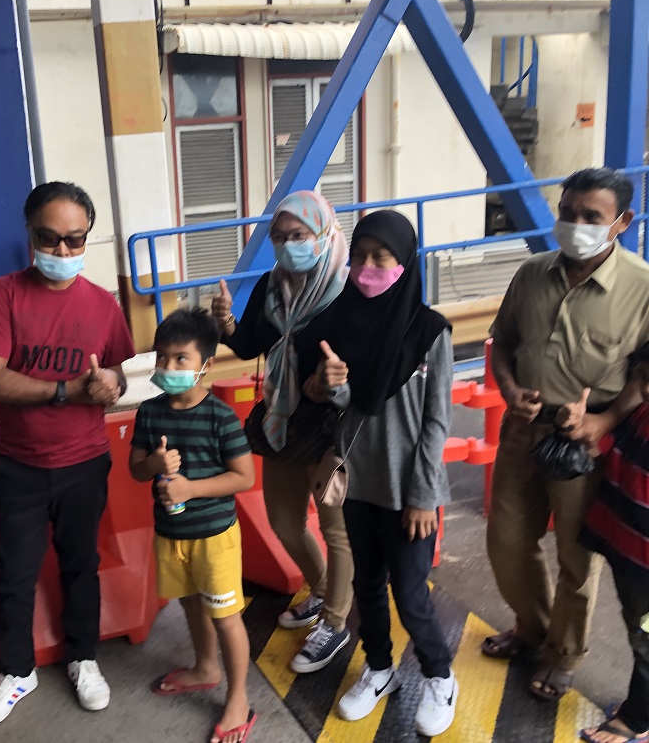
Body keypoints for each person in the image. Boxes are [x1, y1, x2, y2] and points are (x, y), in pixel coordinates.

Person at [0, 181, 135, 725]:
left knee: (81, 567)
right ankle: (17, 672)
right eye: (49, 238)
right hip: (19, 464)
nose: (62, 252)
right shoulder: (4, 294)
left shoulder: (104, 305)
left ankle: (83, 658)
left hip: (85, 462)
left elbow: (122, 373)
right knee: (14, 574)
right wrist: (65, 390)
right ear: (29, 235)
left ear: (87, 238)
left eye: (74, 240)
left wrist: (111, 384)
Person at [484, 167, 649, 702]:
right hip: (522, 430)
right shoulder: (531, 273)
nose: (575, 224)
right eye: (567, 213)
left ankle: (564, 654)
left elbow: (645, 380)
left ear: (621, 222)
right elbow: (502, 343)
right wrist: (509, 388)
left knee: (576, 558)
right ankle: (532, 629)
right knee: (508, 542)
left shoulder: (642, 288)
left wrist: (601, 423)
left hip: (586, 443)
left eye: (591, 217)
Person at [322, 210, 458, 737]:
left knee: (410, 591)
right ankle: (380, 670)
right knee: (368, 585)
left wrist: (424, 495)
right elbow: (347, 407)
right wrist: (333, 385)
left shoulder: (430, 332)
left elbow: (436, 422)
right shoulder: (343, 322)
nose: (366, 268)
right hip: (359, 482)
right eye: (358, 256)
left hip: (409, 492)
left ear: (404, 262)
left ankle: (439, 676)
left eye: (381, 257)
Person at [212, 189, 355, 673]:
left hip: (335, 425)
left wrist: (335, 382)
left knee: (337, 529)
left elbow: (367, 363)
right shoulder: (274, 286)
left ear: (324, 232)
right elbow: (253, 342)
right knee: (284, 522)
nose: (289, 244)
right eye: (280, 236)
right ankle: (319, 591)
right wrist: (227, 322)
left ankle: (334, 622)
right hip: (284, 418)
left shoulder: (351, 290)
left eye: (299, 235)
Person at [129, 308, 257, 743]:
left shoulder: (221, 418)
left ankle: (238, 696)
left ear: (206, 364)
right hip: (171, 535)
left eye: (180, 359)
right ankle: (205, 667)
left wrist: (191, 489)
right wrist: (153, 462)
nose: (168, 367)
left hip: (214, 538)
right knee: (189, 603)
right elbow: (136, 470)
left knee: (226, 617)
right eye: (161, 357)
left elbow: (244, 477)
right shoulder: (149, 413)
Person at [566, 342, 649, 743]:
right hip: (630, 544)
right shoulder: (643, 409)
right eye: (645, 380)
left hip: (645, 556)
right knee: (637, 628)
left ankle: (638, 720)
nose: (647, 390)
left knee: (645, 636)